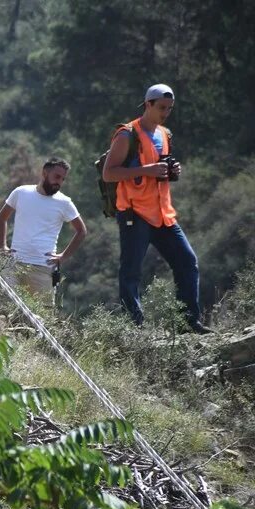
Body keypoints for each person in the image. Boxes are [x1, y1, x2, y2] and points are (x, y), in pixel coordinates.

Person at [102, 83, 210, 333]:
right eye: (161, 107)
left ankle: (188, 322)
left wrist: (172, 171)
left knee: (187, 262)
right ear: (147, 104)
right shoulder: (126, 134)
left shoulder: (165, 134)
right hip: (135, 214)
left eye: (169, 108)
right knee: (131, 272)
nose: (165, 112)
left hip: (163, 214)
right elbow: (109, 174)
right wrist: (145, 170)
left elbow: (158, 168)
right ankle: (135, 328)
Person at [0, 157, 87, 305]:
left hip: (43, 267)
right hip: (13, 263)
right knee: (3, 307)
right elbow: (2, 218)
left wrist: (63, 256)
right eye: (57, 177)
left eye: (63, 179)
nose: (59, 182)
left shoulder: (64, 202)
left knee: (43, 316)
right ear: (45, 173)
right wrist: (2, 246)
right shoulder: (21, 192)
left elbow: (81, 231)